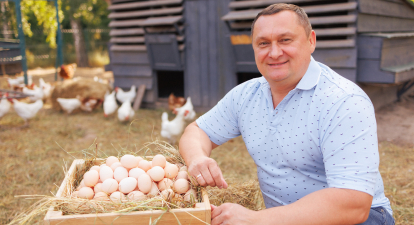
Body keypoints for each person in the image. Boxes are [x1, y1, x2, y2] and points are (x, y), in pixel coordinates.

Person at [179, 3, 394, 225]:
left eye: (285, 40)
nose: (274, 52)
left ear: (311, 41)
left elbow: (354, 204)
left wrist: (255, 219)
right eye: (263, 43)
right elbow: (196, 131)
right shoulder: (246, 95)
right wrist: (197, 158)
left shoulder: (343, 101)